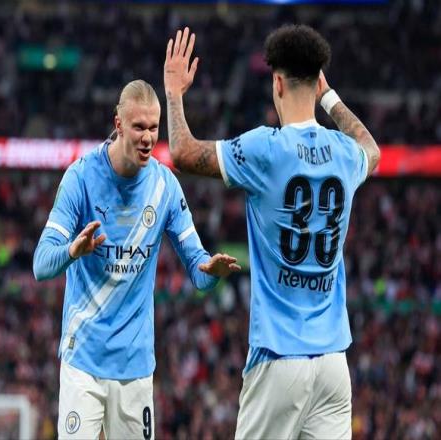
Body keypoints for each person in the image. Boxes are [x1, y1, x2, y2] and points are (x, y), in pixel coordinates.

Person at [164, 25, 380, 439]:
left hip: (279, 356)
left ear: (277, 83)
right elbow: (372, 149)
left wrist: (174, 93)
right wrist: (330, 99)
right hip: (333, 362)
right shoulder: (345, 152)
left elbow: (182, 152)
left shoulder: (265, 148)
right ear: (317, 82)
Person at [33, 79, 240, 439]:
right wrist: (71, 251)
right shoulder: (80, 178)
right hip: (83, 360)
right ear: (118, 124)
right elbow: (40, 264)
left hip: (135, 366)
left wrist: (211, 270)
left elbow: (199, 270)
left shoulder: (164, 186)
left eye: (153, 128)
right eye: (139, 127)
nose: (147, 137)